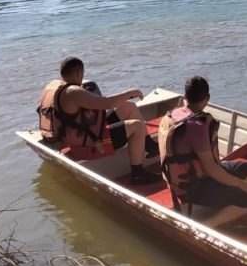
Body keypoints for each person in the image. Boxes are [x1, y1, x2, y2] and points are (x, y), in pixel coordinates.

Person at [38, 56, 161, 185]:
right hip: (90, 144)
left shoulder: (56, 86)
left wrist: (125, 99)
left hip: (79, 134)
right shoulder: (73, 92)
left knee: (128, 106)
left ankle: (150, 146)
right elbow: (107, 103)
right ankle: (138, 175)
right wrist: (130, 92)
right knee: (137, 126)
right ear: (79, 72)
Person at [158, 76, 247, 226]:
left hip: (183, 177)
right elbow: (210, 169)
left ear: (185, 96)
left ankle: (230, 210)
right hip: (192, 186)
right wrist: (241, 184)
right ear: (208, 98)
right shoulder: (196, 127)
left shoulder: (172, 116)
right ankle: (209, 225)